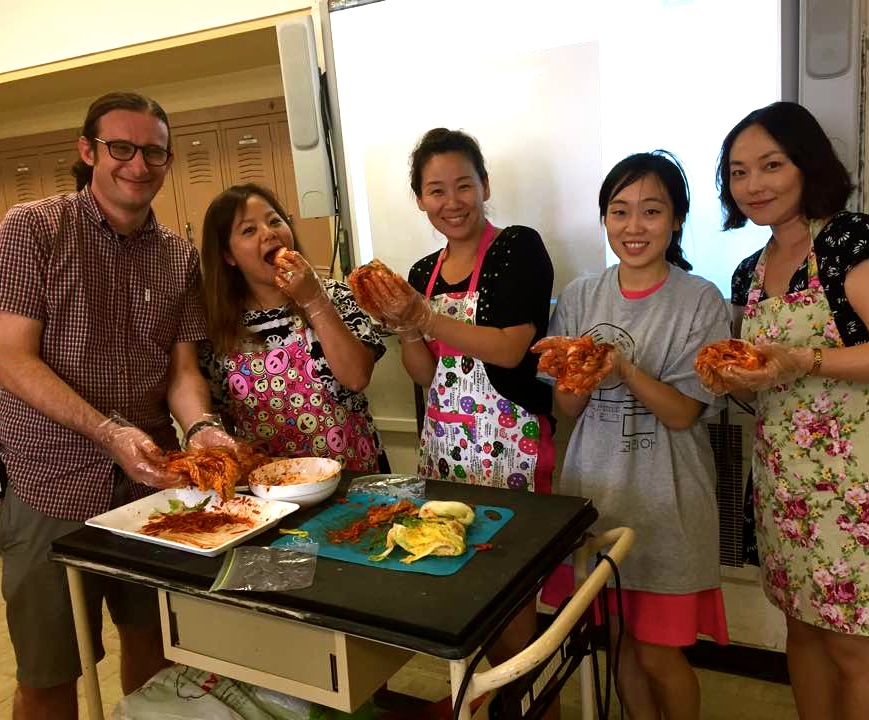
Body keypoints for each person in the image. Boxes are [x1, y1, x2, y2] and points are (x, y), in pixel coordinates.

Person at [0, 91, 234, 720]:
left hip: (149, 490)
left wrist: (203, 426)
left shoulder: (179, 256)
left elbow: (183, 371)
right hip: (48, 481)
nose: (139, 163)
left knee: (155, 644)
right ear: (88, 152)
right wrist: (107, 433)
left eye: (154, 151)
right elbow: (12, 358)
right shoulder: (32, 229)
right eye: (121, 148)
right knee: (50, 671)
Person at [361, 129, 555, 714]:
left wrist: (424, 316)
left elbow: (512, 348)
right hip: (445, 446)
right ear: (420, 199)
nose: (452, 201)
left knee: (512, 584)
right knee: (459, 577)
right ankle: (488, 697)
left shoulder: (518, 248)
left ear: (485, 185)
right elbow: (425, 374)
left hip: (510, 444)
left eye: (464, 185)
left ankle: (517, 698)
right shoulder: (422, 270)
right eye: (435, 190)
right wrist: (403, 325)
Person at [541, 151, 730, 720]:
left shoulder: (699, 299)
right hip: (596, 496)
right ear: (604, 219)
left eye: (651, 211)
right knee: (618, 638)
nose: (634, 226)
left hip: (668, 503)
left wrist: (621, 367)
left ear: (676, 220)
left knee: (660, 653)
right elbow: (564, 405)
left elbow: (682, 414)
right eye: (619, 211)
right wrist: (576, 368)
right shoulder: (579, 296)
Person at [713, 101, 869, 720]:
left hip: (855, 486)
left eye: (770, 165)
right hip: (784, 482)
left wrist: (804, 359)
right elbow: (767, 381)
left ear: (806, 165)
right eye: (738, 172)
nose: (754, 185)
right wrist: (736, 381)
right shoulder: (748, 271)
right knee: (800, 629)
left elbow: (802, 362)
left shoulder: (849, 240)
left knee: (854, 648)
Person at [198, 183, 389, 471]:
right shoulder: (219, 330)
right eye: (249, 230)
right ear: (228, 256)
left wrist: (313, 299)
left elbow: (357, 377)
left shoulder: (336, 295)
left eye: (275, 221)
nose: (269, 233)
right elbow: (218, 418)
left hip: (352, 478)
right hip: (272, 490)